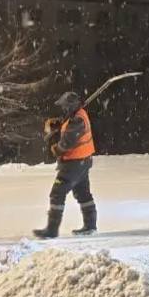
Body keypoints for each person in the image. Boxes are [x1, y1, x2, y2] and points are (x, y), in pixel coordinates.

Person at [33, 92, 97, 239]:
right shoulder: (78, 115)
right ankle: (90, 225)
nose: (63, 109)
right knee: (83, 193)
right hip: (82, 162)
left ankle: (52, 230)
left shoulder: (77, 120)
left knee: (57, 193)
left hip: (73, 163)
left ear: (71, 106)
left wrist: (56, 149)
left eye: (65, 106)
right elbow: (68, 124)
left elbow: (67, 142)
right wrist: (58, 125)